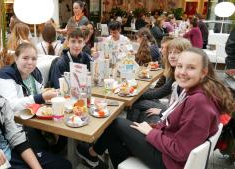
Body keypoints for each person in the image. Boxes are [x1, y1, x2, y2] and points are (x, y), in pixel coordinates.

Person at [77, 47, 235, 169]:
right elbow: (175, 126)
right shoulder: (199, 91)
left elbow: (180, 152)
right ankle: (95, 154)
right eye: (180, 66)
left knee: (116, 124)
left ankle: (92, 153)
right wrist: (153, 129)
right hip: (170, 150)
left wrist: (151, 133)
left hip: (170, 162)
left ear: (203, 72)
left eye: (191, 68)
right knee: (115, 137)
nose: (182, 72)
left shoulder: (199, 102)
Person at [0, 43, 72, 169]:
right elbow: (12, 105)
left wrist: (48, 93)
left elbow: (40, 91)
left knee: (62, 136)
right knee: (61, 161)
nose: (30, 62)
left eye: (34, 59)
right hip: (17, 130)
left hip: (31, 124)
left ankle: (52, 153)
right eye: (25, 58)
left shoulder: (34, 73)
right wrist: (40, 97)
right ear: (16, 58)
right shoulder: (5, 76)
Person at [128, 38, 192, 122]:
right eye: (170, 52)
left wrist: (138, 95)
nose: (172, 56)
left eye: (177, 52)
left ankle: (131, 126)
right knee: (142, 98)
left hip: (171, 110)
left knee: (135, 102)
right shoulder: (174, 71)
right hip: (171, 108)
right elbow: (162, 88)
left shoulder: (184, 78)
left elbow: (162, 91)